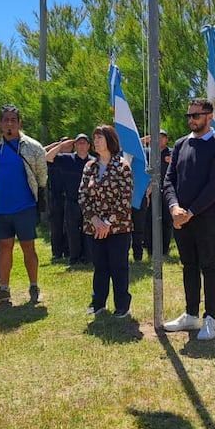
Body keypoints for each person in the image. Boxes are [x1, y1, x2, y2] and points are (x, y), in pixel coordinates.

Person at [162, 98, 215, 340]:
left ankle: (210, 318)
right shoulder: (180, 144)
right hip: (180, 217)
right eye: (189, 116)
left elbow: (214, 186)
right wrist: (174, 208)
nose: (191, 119)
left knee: (208, 265)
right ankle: (191, 314)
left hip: (205, 217)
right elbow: (169, 180)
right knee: (188, 265)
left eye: (196, 115)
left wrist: (189, 212)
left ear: (209, 116)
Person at [0, 104, 48, 304]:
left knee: (28, 248)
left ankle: (34, 287)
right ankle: (4, 288)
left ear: (19, 123)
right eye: (5, 120)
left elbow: (42, 176)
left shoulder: (32, 147)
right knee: (4, 248)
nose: (9, 124)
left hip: (24, 207)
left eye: (13, 120)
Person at [79, 125, 134, 318]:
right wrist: (95, 220)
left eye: (100, 138)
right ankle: (98, 302)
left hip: (118, 227)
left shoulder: (122, 166)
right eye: (95, 138)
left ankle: (122, 305)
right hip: (94, 227)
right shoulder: (89, 166)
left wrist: (108, 223)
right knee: (100, 265)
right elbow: (83, 196)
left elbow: (125, 198)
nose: (96, 141)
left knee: (118, 266)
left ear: (110, 140)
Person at [46, 133, 92, 266]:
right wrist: (61, 145)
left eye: (84, 143)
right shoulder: (67, 159)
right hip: (71, 201)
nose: (82, 146)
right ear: (75, 145)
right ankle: (74, 258)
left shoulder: (93, 162)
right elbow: (48, 157)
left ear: (88, 146)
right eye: (79, 143)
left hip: (88, 202)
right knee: (72, 231)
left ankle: (87, 257)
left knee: (88, 230)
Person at [142, 130, 173, 257]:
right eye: (157, 137)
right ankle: (150, 248)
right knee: (149, 220)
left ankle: (165, 249)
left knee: (166, 220)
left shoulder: (172, 153)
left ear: (167, 140)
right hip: (150, 191)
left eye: (162, 137)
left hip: (166, 191)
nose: (160, 139)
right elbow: (130, 147)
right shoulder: (148, 152)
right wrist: (145, 140)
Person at [44, 137, 69, 262]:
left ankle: (68, 250)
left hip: (69, 197)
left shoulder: (72, 159)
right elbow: (43, 153)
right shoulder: (53, 159)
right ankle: (57, 252)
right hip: (55, 196)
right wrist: (58, 145)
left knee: (68, 225)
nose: (66, 148)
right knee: (56, 225)